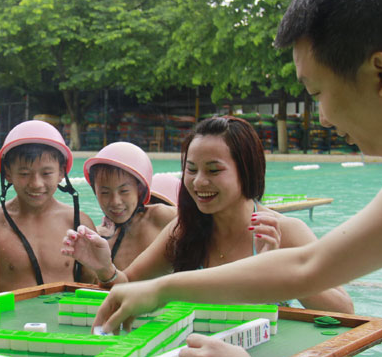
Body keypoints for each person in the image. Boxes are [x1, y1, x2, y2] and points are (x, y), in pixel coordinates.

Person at [82, 0, 382, 357]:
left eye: (315, 93)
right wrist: (160, 288)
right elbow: (308, 265)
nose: (323, 116)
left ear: (381, 75)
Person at [66, 116, 352, 312]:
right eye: (191, 169)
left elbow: (344, 310)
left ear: (246, 170)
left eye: (214, 170)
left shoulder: (283, 230)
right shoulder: (184, 231)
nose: (199, 182)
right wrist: (104, 267)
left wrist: (279, 268)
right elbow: (128, 286)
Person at [0, 120, 98, 295]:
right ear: (8, 173)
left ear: (61, 173)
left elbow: (90, 293)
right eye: (24, 174)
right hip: (9, 324)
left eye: (46, 173)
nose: (36, 184)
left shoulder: (78, 223)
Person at [84, 142, 176, 271]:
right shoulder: (97, 237)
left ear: (140, 190)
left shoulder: (161, 217)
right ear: (95, 192)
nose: (115, 201)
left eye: (124, 191)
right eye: (105, 193)